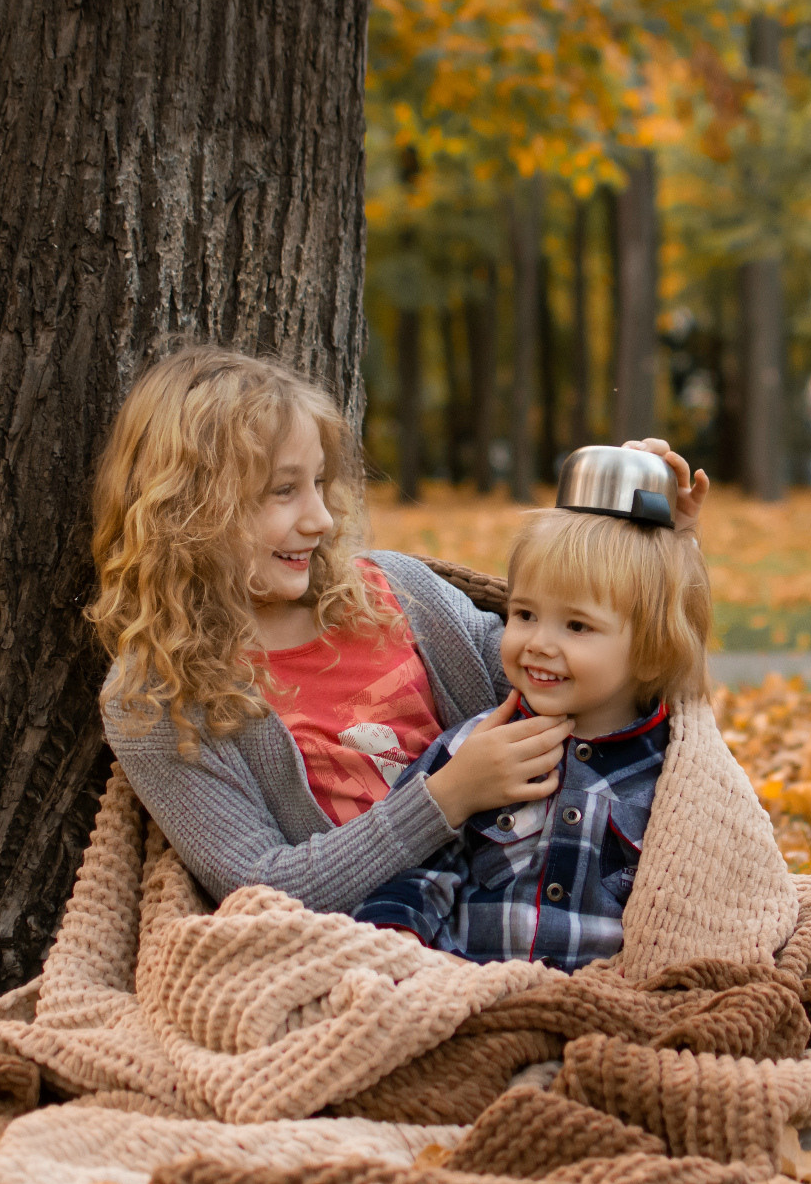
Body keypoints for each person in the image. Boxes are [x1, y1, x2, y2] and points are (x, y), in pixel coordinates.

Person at [87, 344, 707, 914]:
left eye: (320, 484)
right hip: (373, 948)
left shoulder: (399, 594)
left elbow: (604, 683)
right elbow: (259, 887)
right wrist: (449, 796)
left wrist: (654, 551)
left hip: (532, 905)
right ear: (189, 508)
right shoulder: (156, 696)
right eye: (284, 491)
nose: (323, 520)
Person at [351, 508, 703, 969]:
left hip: (610, 1000)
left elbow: (707, 901)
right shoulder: (479, 749)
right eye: (525, 614)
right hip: (474, 992)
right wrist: (396, 947)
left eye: (576, 625)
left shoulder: (679, 774)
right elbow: (417, 872)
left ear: (651, 654)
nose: (537, 642)